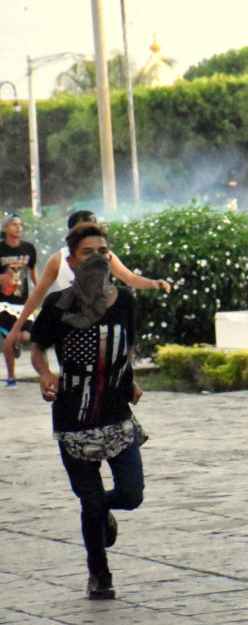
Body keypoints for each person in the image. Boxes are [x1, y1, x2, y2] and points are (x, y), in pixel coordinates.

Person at [30, 222, 148, 600]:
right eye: (87, 253)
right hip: (74, 420)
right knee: (90, 500)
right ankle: (99, 573)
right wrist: (46, 374)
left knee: (131, 494)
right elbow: (37, 348)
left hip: (116, 416)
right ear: (71, 261)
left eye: (103, 252)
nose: (97, 258)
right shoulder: (57, 305)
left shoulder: (125, 301)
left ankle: (103, 511)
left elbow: (127, 346)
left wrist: (128, 377)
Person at [3, 210, 171, 375]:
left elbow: (129, 278)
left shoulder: (105, 256)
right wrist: (15, 330)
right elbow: (37, 295)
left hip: (102, 320)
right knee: (78, 376)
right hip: (72, 328)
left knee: (107, 373)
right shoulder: (58, 260)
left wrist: (153, 283)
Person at [0, 214, 38, 386]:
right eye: (14, 224)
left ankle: (15, 344)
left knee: (25, 337)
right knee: (10, 339)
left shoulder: (28, 248)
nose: (18, 228)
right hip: (4, 303)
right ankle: (11, 376)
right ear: (6, 228)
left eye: (20, 224)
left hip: (23, 303)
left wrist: (39, 290)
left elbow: (33, 273)